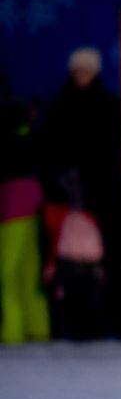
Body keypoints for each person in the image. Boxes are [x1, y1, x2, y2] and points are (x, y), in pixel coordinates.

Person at [38, 46, 121, 338]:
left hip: (103, 196)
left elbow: (111, 149)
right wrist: (68, 183)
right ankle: (77, 327)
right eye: (78, 71)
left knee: (114, 260)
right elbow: (52, 149)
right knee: (71, 265)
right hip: (69, 200)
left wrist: (92, 181)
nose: (82, 76)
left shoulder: (106, 105)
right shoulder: (60, 106)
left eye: (87, 71)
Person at [0, 91, 51, 344]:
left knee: (7, 271)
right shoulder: (34, 138)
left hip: (12, 207)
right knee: (29, 269)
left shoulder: (8, 140)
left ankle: (12, 329)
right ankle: (38, 326)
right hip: (33, 203)